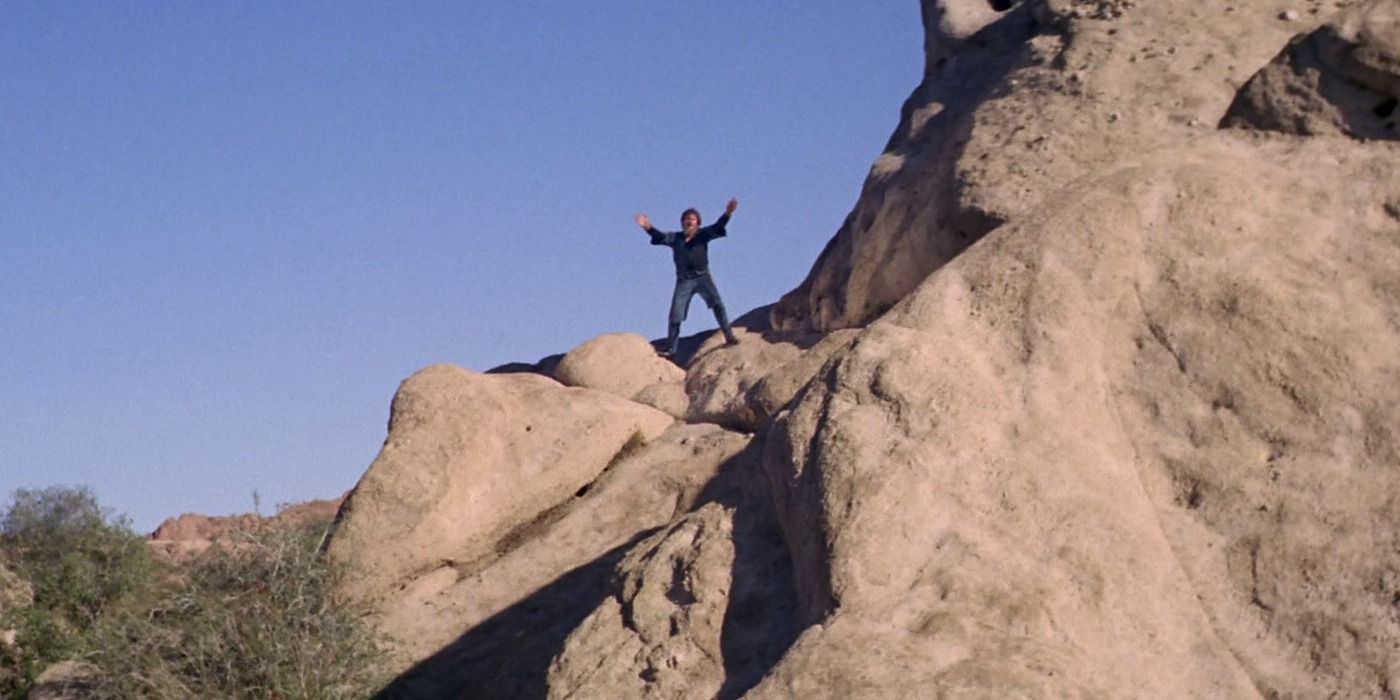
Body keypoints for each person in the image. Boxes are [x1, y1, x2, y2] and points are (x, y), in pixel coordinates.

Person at [635, 198, 741, 358]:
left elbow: (718, 226)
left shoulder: (703, 235)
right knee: (675, 314)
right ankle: (671, 349)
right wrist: (648, 227)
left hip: (703, 277)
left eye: (692, 219)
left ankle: (729, 335)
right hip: (684, 280)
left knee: (717, 304)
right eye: (686, 220)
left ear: (697, 222)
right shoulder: (676, 238)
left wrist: (728, 213)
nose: (688, 222)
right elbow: (660, 237)